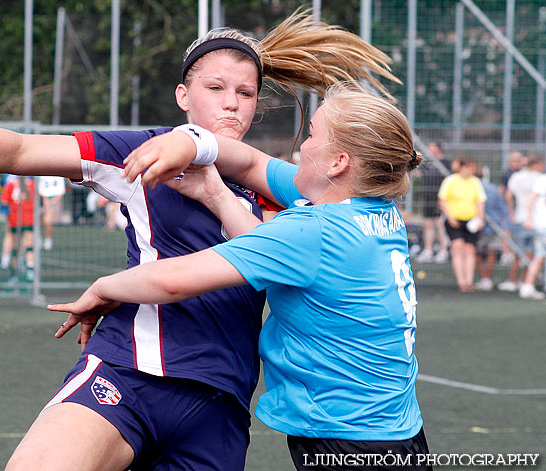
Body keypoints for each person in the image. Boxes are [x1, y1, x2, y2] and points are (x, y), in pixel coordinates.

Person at [0, 10, 399, 470]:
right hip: (127, 374)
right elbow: (20, 149)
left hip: (219, 401)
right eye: (216, 87)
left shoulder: (288, 188)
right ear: (184, 96)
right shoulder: (139, 153)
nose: (231, 102)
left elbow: (254, 261)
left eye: (245, 93)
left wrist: (213, 194)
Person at [52, 83, 431, 471]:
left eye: (313, 134)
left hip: (350, 444)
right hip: (397, 434)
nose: (301, 147)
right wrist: (195, 154)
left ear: (339, 162)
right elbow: (250, 165)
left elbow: (174, 281)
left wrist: (102, 287)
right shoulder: (379, 212)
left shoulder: (315, 230)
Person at [437, 158, 486, 292]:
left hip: (471, 221)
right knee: (457, 247)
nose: (472, 170)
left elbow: (480, 202)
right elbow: (443, 200)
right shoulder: (451, 180)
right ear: (462, 167)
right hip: (454, 220)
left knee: (470, 249)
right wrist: (450, 217)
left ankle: (469, 281)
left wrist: (480, 219)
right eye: (470, 167)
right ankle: (461, 282)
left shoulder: (475, 182)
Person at [499, 155, 545, 292]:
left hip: (519, 218)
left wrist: (511, 213)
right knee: (533, 254)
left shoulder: (516, 176)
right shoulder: (541, 178)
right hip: (537, 221)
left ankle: (513, 281)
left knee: (519, 253)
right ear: (536, 164)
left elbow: (508, 196)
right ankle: (525, 282)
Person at [474, 167, 510, 291]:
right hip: (494, 225)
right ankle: (487, 277)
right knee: (491, 252)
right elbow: (502, 208)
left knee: (477, 252)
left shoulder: (473, 187)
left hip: (477, 225)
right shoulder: (493, 188)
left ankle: (484, 277)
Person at [414, 142, 449, 263]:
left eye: (431, 148)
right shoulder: (427, 162)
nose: (429, 150)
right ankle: (428, 250)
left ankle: (443, 250)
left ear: (438, 149)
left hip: (440, 198)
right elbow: (418, 174)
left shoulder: (445, 162)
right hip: (427, 198)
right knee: (427, 224)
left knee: (440, 225)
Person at [0, 175, 35, 281]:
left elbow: (4, 201)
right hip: (29, 218)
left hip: (15, 219)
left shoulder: (11, 184)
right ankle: (30, 270)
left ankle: (14, 275)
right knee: (29, 246)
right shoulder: (32, 184)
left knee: (15, 248)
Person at [519, 167, 546, 300]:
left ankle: (527, 286)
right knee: (539, 256)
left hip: (540, 225)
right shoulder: (543, 180)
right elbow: (531, 200)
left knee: (539, 256)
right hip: (543, 225)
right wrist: (529, 218)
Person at [38, 176, 66, 250]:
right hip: (42, 199)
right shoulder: (42, 176)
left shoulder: (58, 177)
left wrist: (52, 201)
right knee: (39, 220)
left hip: (53, 199)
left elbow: (61, 191)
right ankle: (39, 237)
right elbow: (40, 189)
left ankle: (48, 239)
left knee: (48, 221)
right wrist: (44, 199)